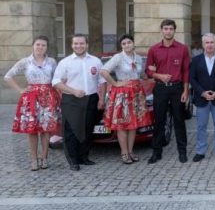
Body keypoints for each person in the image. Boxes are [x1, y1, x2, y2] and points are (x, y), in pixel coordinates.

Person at [4, 35, 60, 171]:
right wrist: (21, 90)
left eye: (43, 45)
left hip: (48, 97)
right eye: (38, 44)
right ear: (33, 46)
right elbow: (7, 76)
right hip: (31, 98)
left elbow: (57, 78)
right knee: (32, 130)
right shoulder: (25, 62)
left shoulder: (51, 62)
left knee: (46, 130)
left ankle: (44, 158)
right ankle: (34, 160)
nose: (40, 47)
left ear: (47, 47)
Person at [52, 34, 106, 171]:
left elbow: (102, 81)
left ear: (86, 44)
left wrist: (101, 99)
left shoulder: (95, 61)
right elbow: (56, 82)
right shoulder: (65, 62)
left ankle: (84, 157)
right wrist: (73, 91)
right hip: (71, 100)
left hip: (91, 99)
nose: (79, 46)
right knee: (71, 132)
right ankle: (73, 160)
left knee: (87, 130)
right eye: (76, 43)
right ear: (71, 45)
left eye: (81, 43)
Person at [100, 34, 152, 164]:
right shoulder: (118, 57)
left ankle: (130, 151)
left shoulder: (138, 58)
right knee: (122, 124)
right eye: (123, 43)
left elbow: (140, 74)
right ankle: (124, 153)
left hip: (136, 93)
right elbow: (104, 71)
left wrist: (147, 74)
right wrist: (115, 83)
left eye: (129, 42)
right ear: (121, 46)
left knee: (133, 125)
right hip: (123, 93)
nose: (127, 45)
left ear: (133, 44)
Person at [145, 19, 190, 164]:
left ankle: (182, 152)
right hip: (160, 88)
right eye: (165, 28)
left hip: (177, 88)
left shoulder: (182, 48)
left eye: (171, 28)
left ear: (174, 30)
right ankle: (156, 152)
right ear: (161, 30)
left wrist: (185, 91)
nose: (168, 31)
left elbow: (186, 71)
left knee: (179, 121)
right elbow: (148, 71)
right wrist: (159, 76)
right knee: (159, 121)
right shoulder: (154, 49)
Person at [189, 32, 215, 163]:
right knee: (201, 126)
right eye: (207, 42)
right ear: (203, 44)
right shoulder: (196, 60)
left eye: (212, 42)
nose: (209, 45)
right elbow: (192, 79)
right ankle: (200, 151)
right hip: (202, 99)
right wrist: (202, 92)